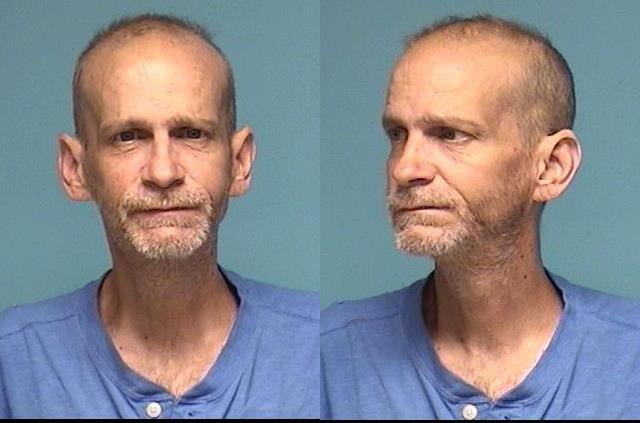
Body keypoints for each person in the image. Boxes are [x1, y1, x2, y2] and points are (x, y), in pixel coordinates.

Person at [321, 15, 640, 419]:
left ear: (551, 168)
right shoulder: (329, 357)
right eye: (398, 134)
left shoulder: (629, 363)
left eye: (450, 134)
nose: (404, 168)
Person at [0, 13, 318, 418]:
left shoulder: (316, 349)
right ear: (75, 169)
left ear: (239, 162)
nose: (163, 172)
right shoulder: (13, 363)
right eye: (128, 137)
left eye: (191, 133)